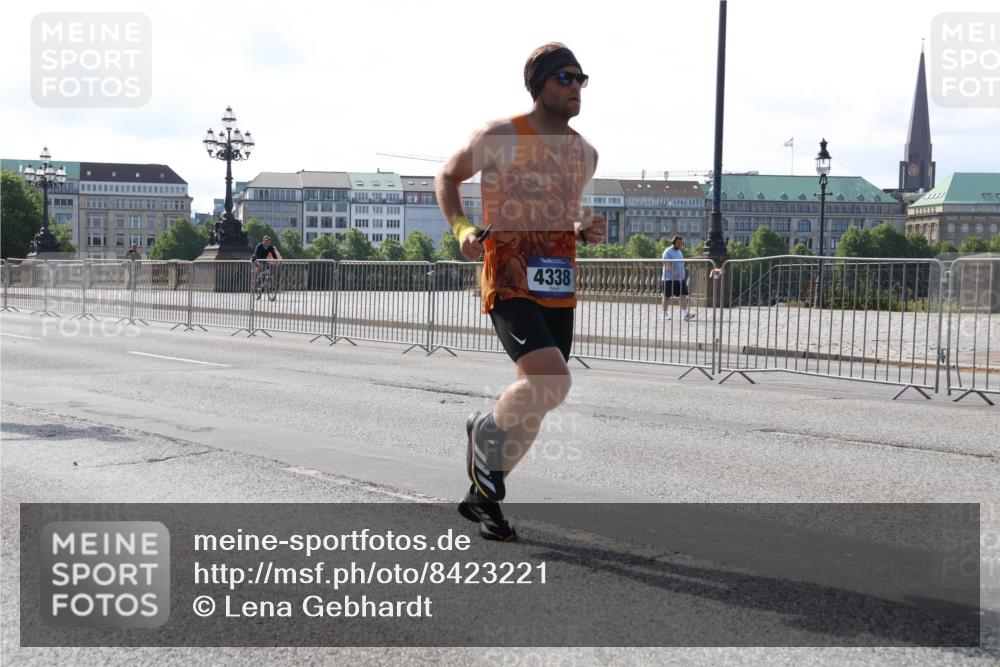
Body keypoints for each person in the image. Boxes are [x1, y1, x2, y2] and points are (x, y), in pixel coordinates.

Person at [436, 43, 604, 541]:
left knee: (541, 396)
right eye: (566, 78)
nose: (576, 88)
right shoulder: (500, 137)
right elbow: (447, 176)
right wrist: (463, 228)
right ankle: (485, 429)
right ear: (541, 84)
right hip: (508, 275)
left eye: (582, 80)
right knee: (553, 381)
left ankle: (485, 497)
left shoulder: (585, 153)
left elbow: (555, 213)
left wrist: (581, 229)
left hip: (557, 282)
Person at [661, 235, 695, 321]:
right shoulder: (667, 252)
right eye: (679, 244)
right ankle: (665, 313)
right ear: (674, 243)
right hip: (669, 279)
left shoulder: (679, 251)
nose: (680, 245)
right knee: (666, 296)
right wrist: (673, 271)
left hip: (680, 278)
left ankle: (685, 314)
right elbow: (667, 264)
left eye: (681, 243)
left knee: (682, 295)